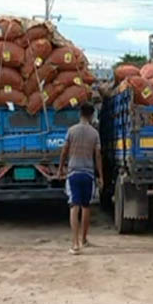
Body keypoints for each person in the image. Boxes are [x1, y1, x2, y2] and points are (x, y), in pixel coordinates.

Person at [58, 102, 103, 255]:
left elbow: (64, 152)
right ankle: (84, 239)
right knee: (86, 206)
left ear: (80, 114)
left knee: (73, 206)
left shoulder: (71, 131)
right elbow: (98, 156)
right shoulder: (94, 134)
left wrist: (60, 169)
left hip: (73, 173)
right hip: (88, 174)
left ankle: (75, 244)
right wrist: (101, 176)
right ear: (91, 116)